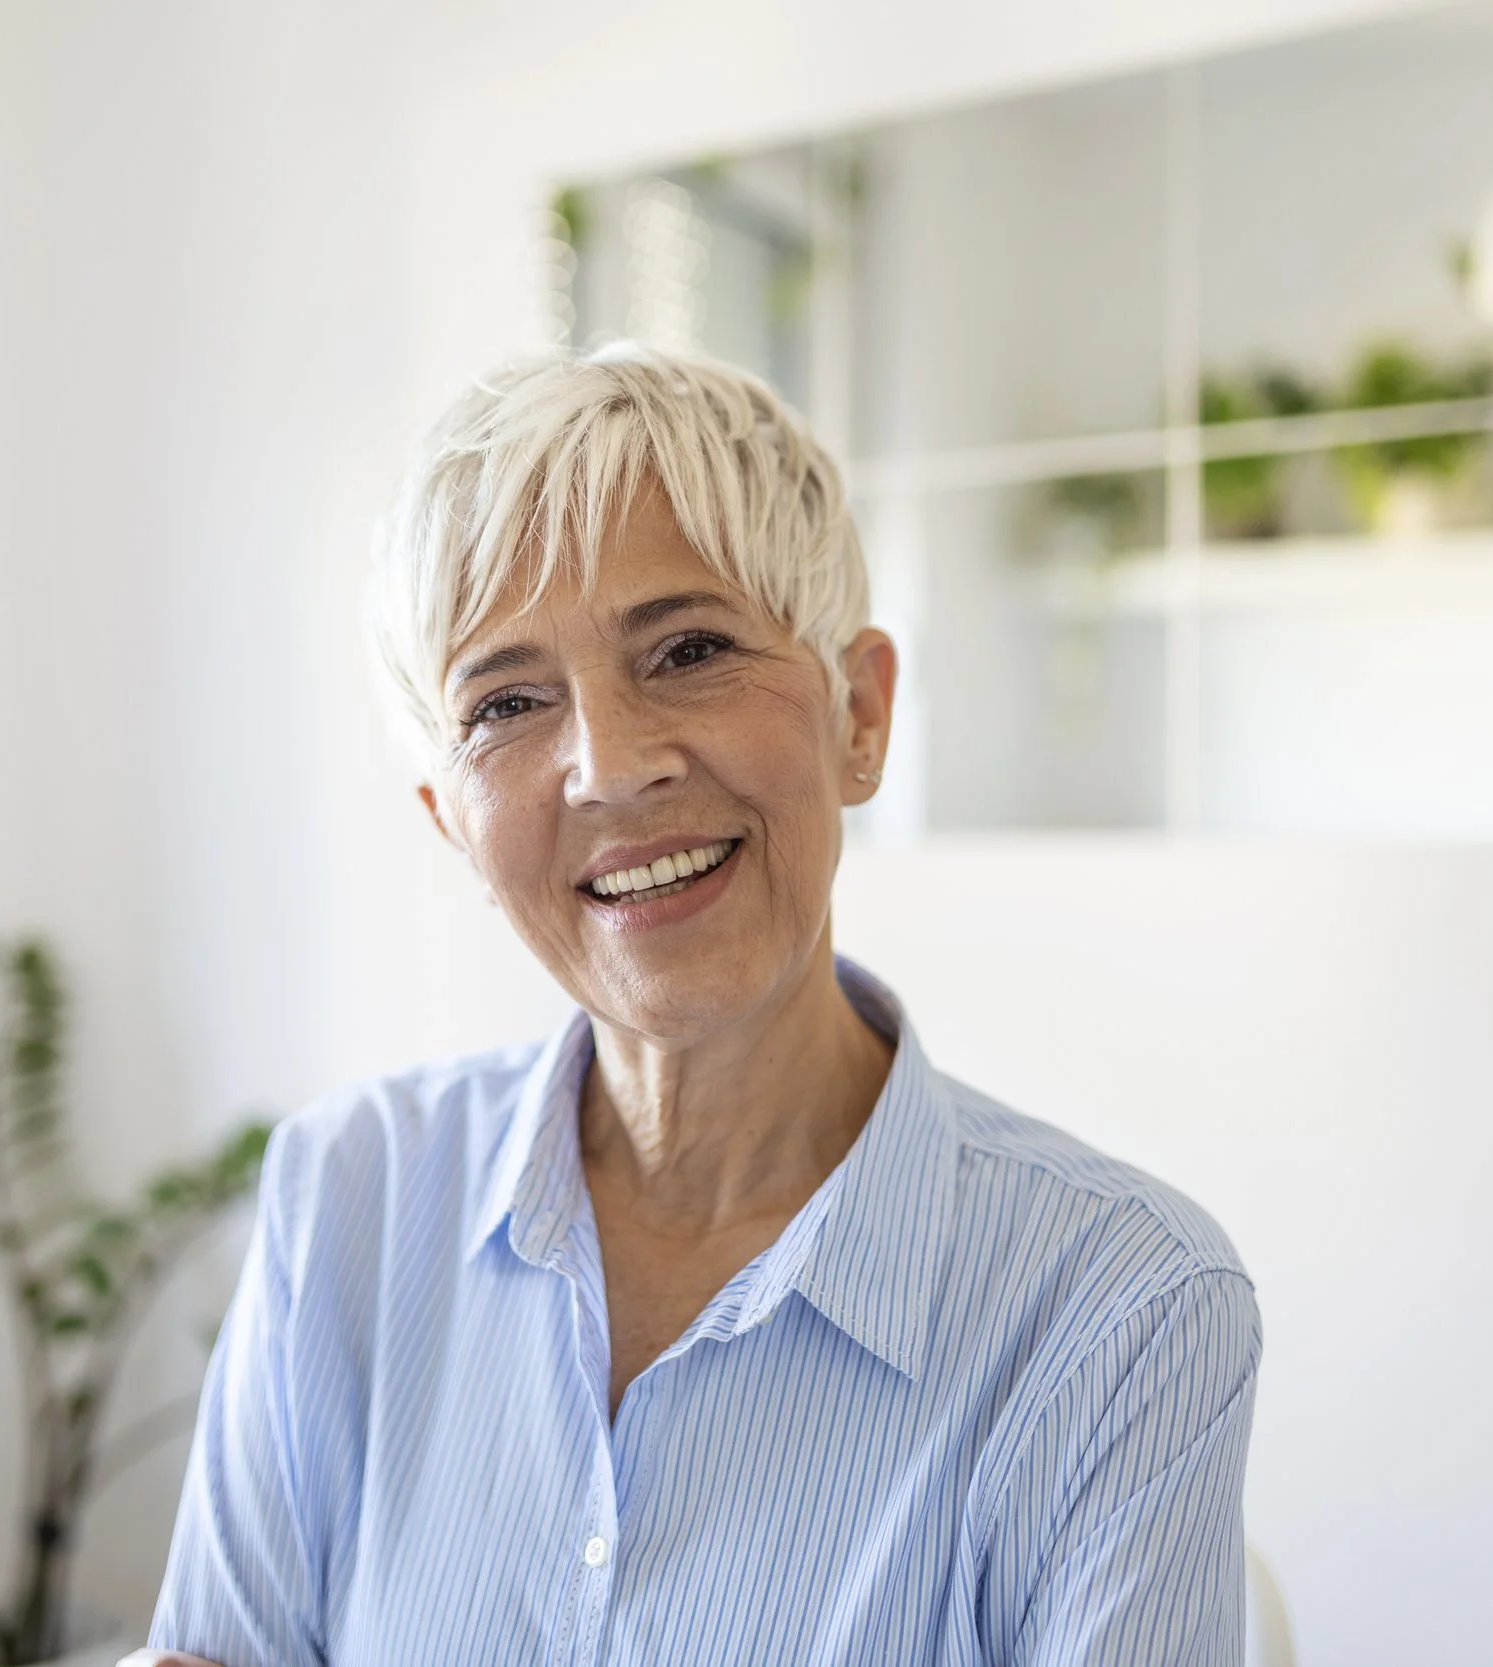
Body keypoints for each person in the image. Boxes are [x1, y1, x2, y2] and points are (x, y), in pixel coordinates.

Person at [132, 347, 1261, 1666]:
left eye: (688, 650)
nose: (610, 767)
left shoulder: (1124, 1309)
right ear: (451, 820)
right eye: (506, 702)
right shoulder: (351, 1194)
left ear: (862, 713)